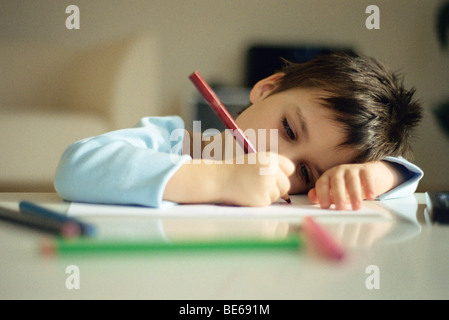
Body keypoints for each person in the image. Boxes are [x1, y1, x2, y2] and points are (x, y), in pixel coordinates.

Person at [54, 53, 423, 210]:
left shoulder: (294, 195)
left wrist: (378, 174)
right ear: (267, 90)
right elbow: (76, 166)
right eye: (289, 130)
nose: (279, 160)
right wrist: (220, 178)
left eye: (308, 172)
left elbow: (405, 193)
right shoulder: (171, 141)